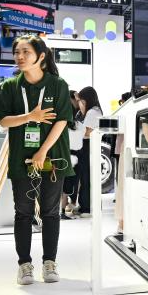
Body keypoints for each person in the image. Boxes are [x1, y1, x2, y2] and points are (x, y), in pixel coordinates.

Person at [0, 35, 74, 285]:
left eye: (25, 52)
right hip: (22, 158)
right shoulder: (9, 87)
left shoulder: (58, 85)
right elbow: (3, 120)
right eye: (16, 52)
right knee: (23, 212)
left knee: (51, 212)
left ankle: (50, 262)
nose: (19, 57)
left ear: (41, 56)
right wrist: (30, 116)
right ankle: (24, 265)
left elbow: (62, 120)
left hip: (53, 157)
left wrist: (43, 151)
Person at [71, 86, 102, 218]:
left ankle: (87, 207)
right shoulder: (91, 111)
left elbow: (87, 132)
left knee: (86, 177)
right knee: (85, 177)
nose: (79, 104)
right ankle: (84, 204)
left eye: (81, 101)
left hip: (88, 146)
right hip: (86, 147)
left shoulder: (92, 112)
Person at [61, 91, 84, 220]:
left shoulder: (61, 125)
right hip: (75, 157)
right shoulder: (79, 125)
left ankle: (62, 210)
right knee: (70, 184)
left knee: (62, 184)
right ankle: (65, 209)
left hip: (63, 155)